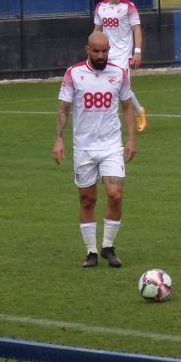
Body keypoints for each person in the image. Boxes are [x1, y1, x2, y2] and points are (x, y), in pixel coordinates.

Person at [53, 31, 138, 268]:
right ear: (87, 49)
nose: (101, 55)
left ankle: (108, 246)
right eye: (97, 51)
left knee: (115, 195)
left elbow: (128, 106)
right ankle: (91, 252)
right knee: (87, 199)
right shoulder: (74, 74)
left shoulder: (119, 74)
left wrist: (131, 139)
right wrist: (59, 139)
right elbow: (63, 108)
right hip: (84, 148)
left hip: (111, 145)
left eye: (105, 51)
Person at [93, 0, 148, 133]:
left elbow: (136, 28)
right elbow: (97, 30)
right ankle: (139, 111)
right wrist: (92, 49)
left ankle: (110, 123)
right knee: (109, 87)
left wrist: (137, 52)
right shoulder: (100, 7)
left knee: (119, 88)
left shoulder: (128, 7)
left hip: (123, 56)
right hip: (105, 54)